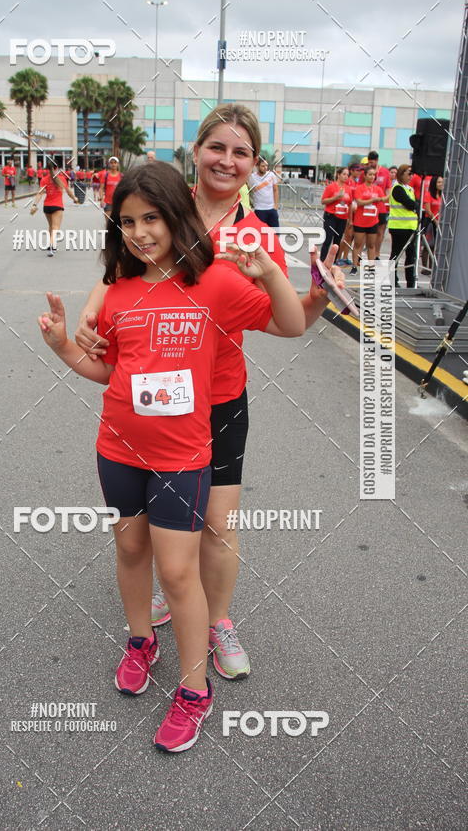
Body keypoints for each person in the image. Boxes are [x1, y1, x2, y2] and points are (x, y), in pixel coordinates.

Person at [38, 162, 306, 752]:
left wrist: (269, 274)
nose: (138, 231)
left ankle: (194, 690)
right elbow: (108, 371)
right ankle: (140, 640)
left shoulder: (215, 284)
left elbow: (289, 324)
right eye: (127, 221)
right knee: (130, 548)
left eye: (151, 217)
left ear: (176, 216)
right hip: (118, 449)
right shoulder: (121, 292)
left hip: (184, 457)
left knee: (180, 572)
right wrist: (62, 347)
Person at [74, 104, 347, 680]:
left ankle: (217, 620)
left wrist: (321, 292)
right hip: (148, 401)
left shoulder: (254, 236)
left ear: (255, 163)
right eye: (217, 147)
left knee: (218, 524)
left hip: (218, 399)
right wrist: (89, 313)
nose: (227, 160)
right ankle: (166, 601)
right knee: (142, 529)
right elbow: (116, 270)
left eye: (241, 152)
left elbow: (282, 320)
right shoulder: (164, 206)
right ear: (196, 151)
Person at [30, 159, 78, 256]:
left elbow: (40, 194)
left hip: (47, 206)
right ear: (58, 168)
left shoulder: (44, 179)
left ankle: (51, 244)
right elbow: (68, 191)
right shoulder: (62, 178)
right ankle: (52, 246)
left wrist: (34, 204)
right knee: (55, 227)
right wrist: (75, 198)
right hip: (57, 206)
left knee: (51, 226)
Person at [350, 166, 386, 275]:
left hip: (373, 220)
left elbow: (383, 199)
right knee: (358, 244)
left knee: (371, 245)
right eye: (370, 174)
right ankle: (354, 266)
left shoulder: (378, 189)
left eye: (374, 175)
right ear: (365, 176)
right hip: (360, 220)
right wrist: (372, 200)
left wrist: (380, 199)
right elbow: (359, 202)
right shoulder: (359, 188)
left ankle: (371, 266)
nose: (372, 177)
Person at [389, 164, 419, 288]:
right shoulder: (397, 188)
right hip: (399, 227)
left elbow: (414, 204)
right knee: (396, 254)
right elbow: (410, 204)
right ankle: (392, 281)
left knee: (411, 256)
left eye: (412, 174)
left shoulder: (410, 189)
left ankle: (411, 283)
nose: (410, 176)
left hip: (410, 227)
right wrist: (416, 205)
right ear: (401, 174)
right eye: (408, 173)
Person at [321, 167, 352, 262]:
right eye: (344, 174)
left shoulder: (348, 189)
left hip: (342, 217)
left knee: (337, 240)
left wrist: (350, 219)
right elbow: (323, 201)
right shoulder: (331, 187)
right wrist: (336, 197)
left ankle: (333, 262)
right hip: (331, 216)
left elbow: (350, 204)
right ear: (338, 175)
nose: (346, 176)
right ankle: (322, 260)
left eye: (347, 175)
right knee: (328, 239)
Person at [421, 174, 443, 275]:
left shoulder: (442, 195)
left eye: (442, 182)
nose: (441, 184)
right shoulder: (428, 194)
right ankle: (425, 267)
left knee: (435, 245)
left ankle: (431, 267)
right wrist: (435, 221)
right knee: (427, 244)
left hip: (438, 222)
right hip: (430, 221)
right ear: (434, 184)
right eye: (439, 182)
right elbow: (428, 211)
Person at [248, 157, 279, 227]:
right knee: (260, 234)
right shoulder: (252, 177)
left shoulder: (271, 175)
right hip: (259, 210)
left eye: (266, 165)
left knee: (275, 233)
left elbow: (276, 190)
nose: (265, 168)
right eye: (263, 166)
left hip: (271, 209)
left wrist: (276, 205)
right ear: (257, 166)